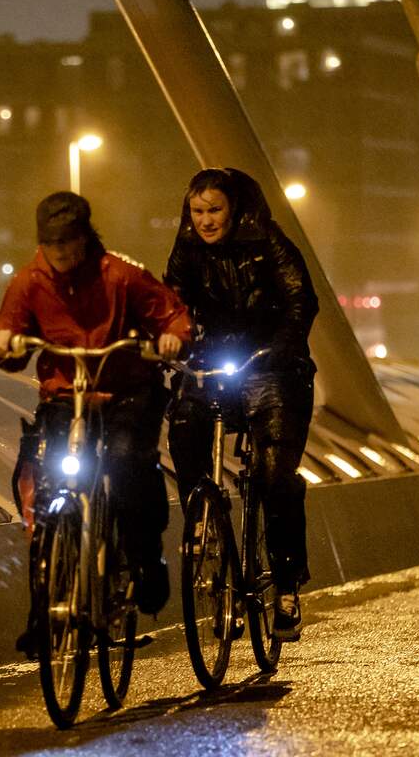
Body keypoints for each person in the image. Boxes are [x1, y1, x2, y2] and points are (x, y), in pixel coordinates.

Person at [0, 191, 190, 653]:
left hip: (126, 394)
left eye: (68, 242)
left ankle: (144, 559)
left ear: (85, 239)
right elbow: (10, 327)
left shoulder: (121, 275)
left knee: (124, 464)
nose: (59, 253)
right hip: (66, 396)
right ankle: (44, 614)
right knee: (43, 488)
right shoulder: (30, 281)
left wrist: (172, 340)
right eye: (51, 244)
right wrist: (7, 342)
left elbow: (173, 315)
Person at [163, 167, 318, 641]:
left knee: (274, 475)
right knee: (185, 423)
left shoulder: (269, 242)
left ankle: (287, 584)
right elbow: (173, 301)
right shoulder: (187, 249)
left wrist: (282, 347)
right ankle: (201, 517)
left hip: (273, 368)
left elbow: (301, 300)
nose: (206, 220)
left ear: (234, 209)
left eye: (215, 210)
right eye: (198, 211)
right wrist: (173, 337)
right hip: (215, 364)